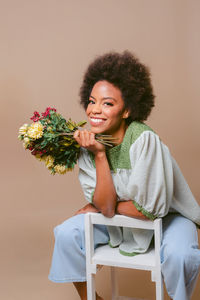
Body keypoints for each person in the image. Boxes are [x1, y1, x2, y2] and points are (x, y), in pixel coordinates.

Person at [48, 51, 200, 300]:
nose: (95, 110)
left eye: (108, 103)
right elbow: (107, 208)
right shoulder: (89, 144)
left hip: (170, 218)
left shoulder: (144, 140)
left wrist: (98, 207)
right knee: (67, 234)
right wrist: (98, 155)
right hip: (121, 221)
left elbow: (149, 210)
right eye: (92, 101)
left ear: (127, 110)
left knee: (181, 256)